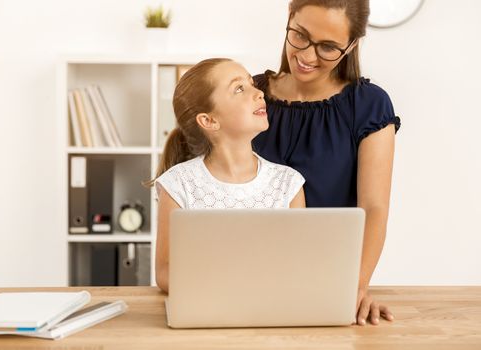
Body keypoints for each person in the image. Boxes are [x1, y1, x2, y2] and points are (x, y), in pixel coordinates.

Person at [251, 0, 400, 326]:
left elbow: (373, 208)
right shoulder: (249, 96)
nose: (306, 56)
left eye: (328, 47)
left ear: (351, 46)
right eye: (299, 35)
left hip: (326, 284)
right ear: (289, 16)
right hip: (246, 279)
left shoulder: (369, 106)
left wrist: (355, 288)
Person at [146, 58, 306, 294]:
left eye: (252, 84)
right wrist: (232, 287)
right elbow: (165, 273)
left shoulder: (288, 183)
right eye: (239, 88)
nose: (258, 93)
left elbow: (299, 266)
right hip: (206, 312)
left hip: (272, 311)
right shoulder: (179, 185)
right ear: (209, 120)